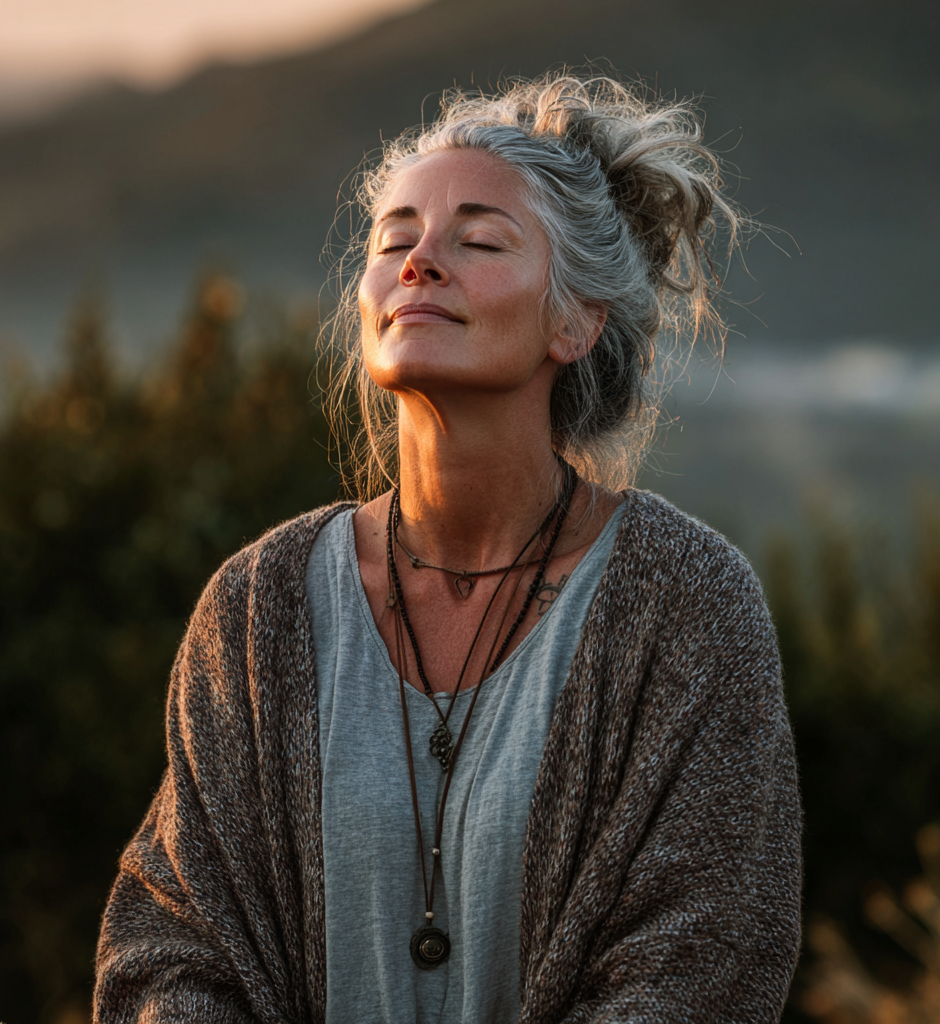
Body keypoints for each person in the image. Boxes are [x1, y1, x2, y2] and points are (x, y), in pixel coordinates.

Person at [94, 73, 802, 1023]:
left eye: (479, 241)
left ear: (575, 319)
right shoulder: (259, 608)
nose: (420, 263)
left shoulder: (688, 602)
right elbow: (173, 941)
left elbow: (702, 961)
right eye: (395, 241)